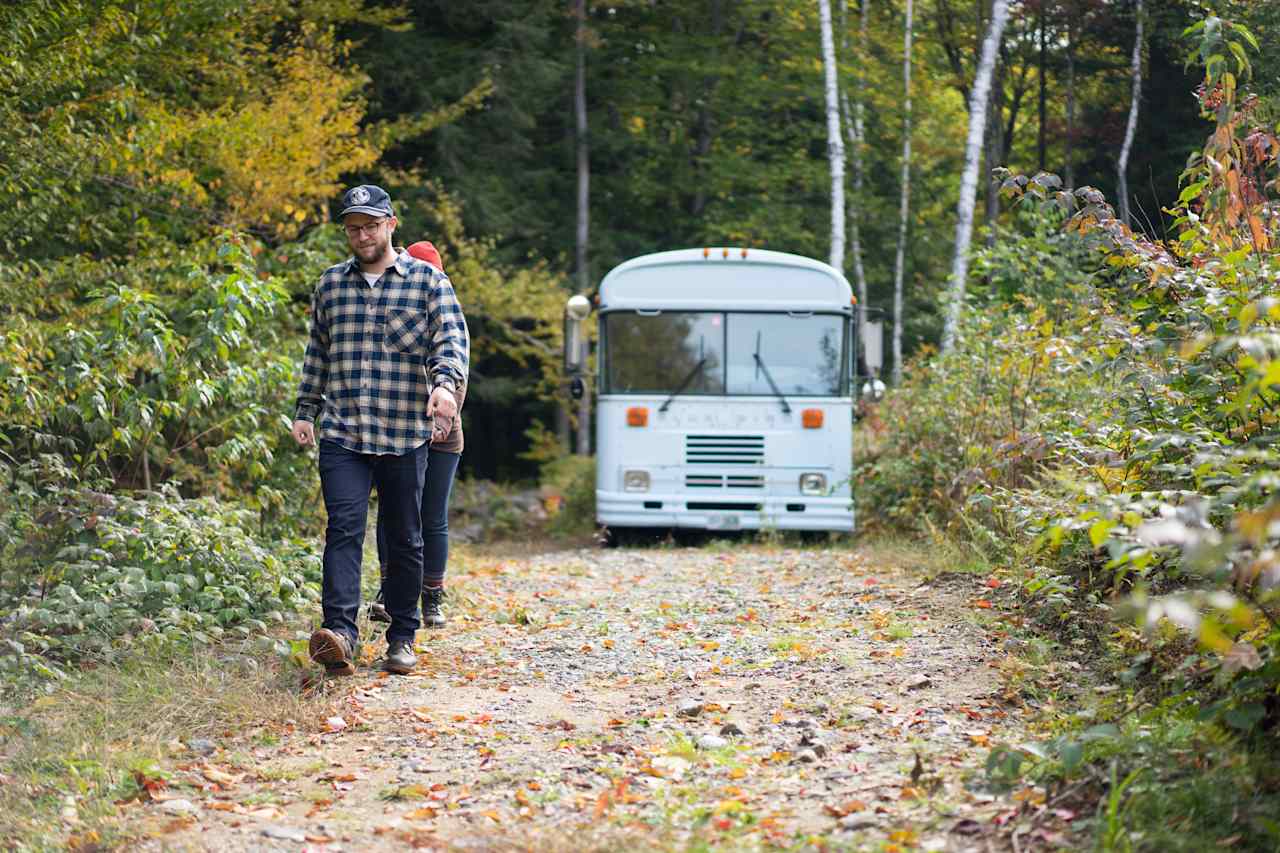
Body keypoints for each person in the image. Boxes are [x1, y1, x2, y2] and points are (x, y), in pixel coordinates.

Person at [291, 186, 469, 676]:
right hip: (344, 432)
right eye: (353, 227)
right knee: (343, 530)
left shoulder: (428, 283)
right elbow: (318, 353)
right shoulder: (330, 285)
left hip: (402, 431)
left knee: (404, 535)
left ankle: (402, 635)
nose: (362, 235)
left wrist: (446, 388)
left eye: (371, 225)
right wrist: (306, 409)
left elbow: (449, 343)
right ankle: (340, 636)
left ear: (391, 224)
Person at [369, 241, 463, 629]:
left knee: (430, 516)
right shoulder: (390, 310)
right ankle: (389, 590)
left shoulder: (447, 315)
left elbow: (458, 373)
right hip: (396, 429)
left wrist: (442, 417)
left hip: (441, 434)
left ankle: (432, 595)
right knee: (393, 511)